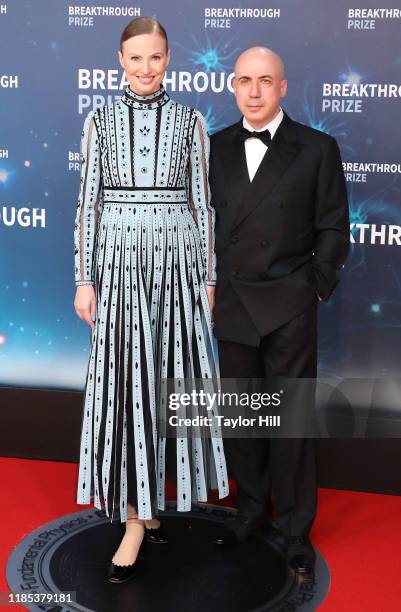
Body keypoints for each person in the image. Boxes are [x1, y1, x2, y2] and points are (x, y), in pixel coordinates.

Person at [73, 17, 228, 583]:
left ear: (169, 60)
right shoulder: (102, 119)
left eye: (155, 58)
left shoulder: (191, 121)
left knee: (170, 381)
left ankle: (153, 504)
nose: (146, 69)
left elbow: (203, 206)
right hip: (118, 266)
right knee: (127, 382)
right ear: (119, 59)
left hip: (179, 267)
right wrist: (84, 278)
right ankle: (135, 517)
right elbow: (87, 203)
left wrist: (208, 280)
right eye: (135, 58)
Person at [209, 47, 350, 574]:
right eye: (244, 80)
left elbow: (334, 224)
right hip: (234, 300)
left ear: (283, 88)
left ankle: (294, 528)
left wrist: (314, 286)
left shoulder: (317, 147)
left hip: (290, 302)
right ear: (233, 86)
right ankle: (249, 512)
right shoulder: (215, 147)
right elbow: (203, 224)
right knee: (243, 417)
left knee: (290, 420)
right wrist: (208, 282)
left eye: (265, 80)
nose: (253, 91)